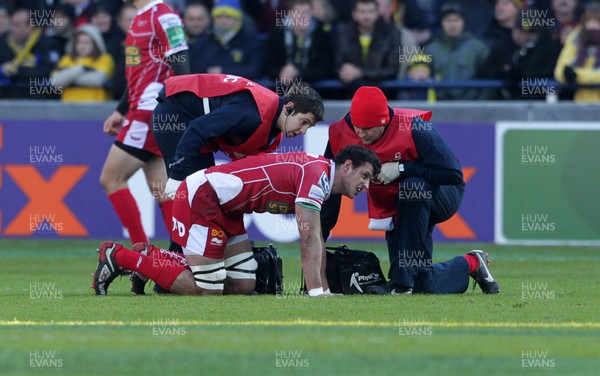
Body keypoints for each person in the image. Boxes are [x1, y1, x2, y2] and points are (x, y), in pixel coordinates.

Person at [92, 145, 381, 296]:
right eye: (365, 176)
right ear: (346, 166)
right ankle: (121, 256)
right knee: (205, 290)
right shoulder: (317, 174)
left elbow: (316, 237)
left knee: (243, 286)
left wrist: (324, 289)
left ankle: (152, 259)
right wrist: (318, 293)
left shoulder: (319, 171)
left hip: (227, 208)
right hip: (203, 198)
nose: (366, 185)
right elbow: (308, 236)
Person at [320, 86, 500, 295]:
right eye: (357, 126)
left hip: (441, 194)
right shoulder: (340, 133)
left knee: (412, 187)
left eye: (367, 128)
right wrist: (318, 242)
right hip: (398, 203)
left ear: (383, 121)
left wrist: (402, 168)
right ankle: (471, 263)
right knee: (423, 283)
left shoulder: (414, 128)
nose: (360, 133)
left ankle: (401, 285)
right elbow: (330, 188)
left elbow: (452, 174)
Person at [99, 0, 189, 247]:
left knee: (110, 178)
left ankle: (141, 252)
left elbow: (180, 59)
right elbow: (137, 73)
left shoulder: (163, 15)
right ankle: (181, 255)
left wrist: (181, 107)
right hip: (144, 110)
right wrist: (121, 110)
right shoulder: (140, 17)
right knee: (161, 188)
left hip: (150, 111)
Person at [151, 73, 324, 196]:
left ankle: (185, 247)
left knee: (204, 194)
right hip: (175, 112)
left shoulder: (271, 129)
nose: (303, 131)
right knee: (195, 195)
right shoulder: (252, 113)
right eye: (304, 122)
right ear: (289, 107)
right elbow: (197, 129)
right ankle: (178, 248)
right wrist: (177, 176)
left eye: (309, 127)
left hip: (193, 122)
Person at [478, 10, 561, 99]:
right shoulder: (502, 46)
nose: (525, 36)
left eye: (530, 33)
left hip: (538, 101)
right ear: (514, 29)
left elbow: (553, 73)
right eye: (521, 31)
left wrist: (524, 73)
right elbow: (484, 71)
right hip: (505, 101)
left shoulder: (549, 48)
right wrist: (505, 70)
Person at [422, 3, 489, 100]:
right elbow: (420, 75)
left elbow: (488, 79)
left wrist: (481, 104)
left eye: (456, 20)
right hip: (440, 106)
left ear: (463, 22)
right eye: (448, 20)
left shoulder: (478, 47)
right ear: (441, 23)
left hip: (472, 106)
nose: (452, 25)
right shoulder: (431, 49)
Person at [334, 0, 401, 96]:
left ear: (377, 13)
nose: (366, 16)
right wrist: (343, 71)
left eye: (370, 11)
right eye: (362, 12)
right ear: (354, 14)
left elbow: (392, 69)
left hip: (384, 94)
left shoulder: (392, 34)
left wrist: (360, 73)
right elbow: (337, 63)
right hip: (350, 94)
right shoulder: (343, 34)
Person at [263, 0, 335, 86]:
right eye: (298, 13)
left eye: (306, 13)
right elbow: (267, 67)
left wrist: (298, 73)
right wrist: (281, 72)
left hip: (315, 89)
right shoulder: (276, 35)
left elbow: (326, 68)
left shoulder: (322, 36)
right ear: (289, 13)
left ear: (312, 13)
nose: (302, 17)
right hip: (281, 88)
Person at [188, 0, 262, 79]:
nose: (223, 21)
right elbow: (193, 69)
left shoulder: (250, 43)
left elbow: (256, 71)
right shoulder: (202, 42)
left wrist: (224, 71)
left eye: (228, 17)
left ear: (238, 20)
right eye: (218, 17)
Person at [0, 8, 62, 98]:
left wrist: (18, 71)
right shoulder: (3, 43)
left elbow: (49, 72)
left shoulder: (48, 44)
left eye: (16, 25)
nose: (11, 28)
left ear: (30, 27)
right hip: (7, 96)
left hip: (40, 98)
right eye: (11, 24)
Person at [51, 24, 115, 102]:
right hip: (68, 107)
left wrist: (67, 77)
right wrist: (82, 69)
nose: (82, 46)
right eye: (79, 42)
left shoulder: (105, 59)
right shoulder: (67, 59)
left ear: (96, 44)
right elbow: (55, 82)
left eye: (87, 43)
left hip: (97, 107)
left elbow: (97, 80)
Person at [554, 1, 600, 102]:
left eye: (597, 22)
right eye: (589, 22)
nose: (592, 26)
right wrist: (568, 75)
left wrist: (577, 76)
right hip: (581, 103)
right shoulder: (577, 37)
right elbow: (560, 71)